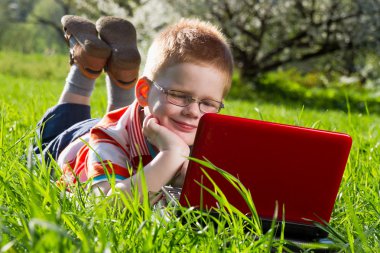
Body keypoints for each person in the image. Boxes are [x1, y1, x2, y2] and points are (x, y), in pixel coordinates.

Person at [35, 15, 234, 200]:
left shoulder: (204, 143)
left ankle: (117, 77)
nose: (193, 111)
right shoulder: (108, 139)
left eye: (208, 103)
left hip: (131, 122)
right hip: (72, 142)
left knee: (126, 121)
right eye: (179, 95)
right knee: (50, 136)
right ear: (144, 92)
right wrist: (170, 157)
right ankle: (84, 65)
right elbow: (103, 207)